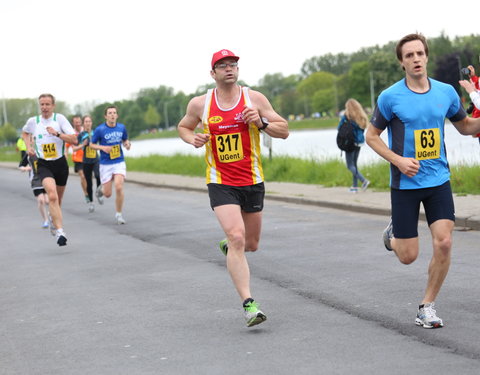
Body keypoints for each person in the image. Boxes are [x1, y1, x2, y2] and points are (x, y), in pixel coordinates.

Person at [366, 33, 480, 329]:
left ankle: (426, 306)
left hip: (438, 180)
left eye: (420, 53)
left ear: (426, 56)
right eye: (409, 56)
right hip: (405, 184)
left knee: (443, 242)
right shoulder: (390, 97)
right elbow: (371, 137)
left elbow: (466, 127)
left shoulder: (445, 93)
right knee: (408, 256)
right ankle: (393, 234)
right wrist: (399, 160)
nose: (416, 59)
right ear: (402, 63)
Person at [177, 49, 289, 327]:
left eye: (233, 65)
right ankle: (249, 304)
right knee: (238, 237)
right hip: (220, 181)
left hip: (252, 180)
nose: (230, 69)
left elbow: (284, 129)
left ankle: (231, 245)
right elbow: (183, 126)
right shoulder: (200, 104)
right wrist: (193, 138)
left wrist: (261, 123)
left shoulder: (254, 99)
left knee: (250, 243)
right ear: (212, 73)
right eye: (223, 66)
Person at [22, 93, 77, 246]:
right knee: (51, 196)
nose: (44, 107)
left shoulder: (59, 119)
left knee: (58, 201)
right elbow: (25, 133)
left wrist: (58, 134)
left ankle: (54, 219)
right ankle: (60, 232)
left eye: (47, 104)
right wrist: (28, 147)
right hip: (43, 164)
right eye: (42, 104)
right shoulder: (34, 122)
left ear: (53, 106)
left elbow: (74, 139)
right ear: (39, 106)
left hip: (60, 164)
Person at [89, 105, 131, 224]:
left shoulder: (121, 127)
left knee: (118, 186)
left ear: (117, 115)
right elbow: (92, 145)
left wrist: (127, 144)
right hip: (105, 163)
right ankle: (101, 190)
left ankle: (119, 215)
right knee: (107, 194)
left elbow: (125, 140)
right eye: (110, 113)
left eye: (114, 113)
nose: (112, 115)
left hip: (119, 161)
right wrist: (103, 147)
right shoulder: (100, 129)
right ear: (106, 116)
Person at [337, 99, 370, 193]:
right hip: (359, 143)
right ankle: (354, 187)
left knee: (350, 166)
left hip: (350, 143)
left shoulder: (347, 116)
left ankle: (364, 181)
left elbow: (339, 128)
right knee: (354, 165)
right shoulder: (362, 117)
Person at [76, 115, 102, 213]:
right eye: (86, 121)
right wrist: (83, 144)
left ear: (91, 123)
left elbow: (102, 143)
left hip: (96, 159)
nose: (88, 123)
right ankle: (91, 202)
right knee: (89, 183)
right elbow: (74, 148)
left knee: (98, 176)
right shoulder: (81, 135)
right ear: (83, 123)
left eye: (89, 121)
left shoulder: (96, 133)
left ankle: (99, 193)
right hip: (86, 161)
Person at [19, 152, 50, 228]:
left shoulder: (42, 149)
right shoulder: (29, 154)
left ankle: (52, 217)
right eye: (32, 140)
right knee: (41, 200)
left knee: (48, 201)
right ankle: (46, 220)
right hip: (35, 181)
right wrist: (26, 168)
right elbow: (21, 166)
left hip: (45, 178)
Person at [67, 115, 89, 203]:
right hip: (78, 159)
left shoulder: (86, 130)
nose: (78, 124)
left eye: (79, 122)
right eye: (76, 122)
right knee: (82, 176)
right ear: (73, 123)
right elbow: (67, 145)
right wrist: (65, 153)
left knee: (88, 177)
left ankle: (89, 190)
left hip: (88, 157)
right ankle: (86, 194)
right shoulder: (71, 133)